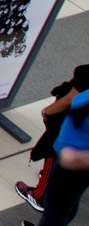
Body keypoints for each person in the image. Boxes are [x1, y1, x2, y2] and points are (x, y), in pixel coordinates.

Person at [0, 64, 89, 226]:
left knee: (56, 208)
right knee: (68, 203)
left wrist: (79, 159)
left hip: (73, 164)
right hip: (72, 159)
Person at [17, 63, 89, 212]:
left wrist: (47, 111)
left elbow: (69, 99)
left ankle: (39, 196)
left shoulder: (87, 74)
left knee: (52, 152)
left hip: (71, 126)